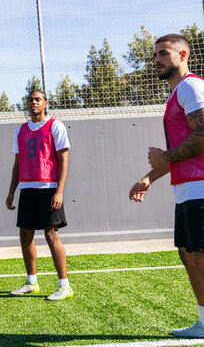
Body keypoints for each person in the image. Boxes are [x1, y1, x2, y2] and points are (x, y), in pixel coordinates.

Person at [129, 34, 204, 338]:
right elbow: (182, 148)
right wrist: (151, 175)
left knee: (199, 256)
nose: (156, 60)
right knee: (188, 254)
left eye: (163, 54)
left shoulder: (192, 87)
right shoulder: (176, 94)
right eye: (155, 55)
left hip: (201, 187)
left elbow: (202, 135)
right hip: (186, 188)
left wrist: (164, 156)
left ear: (183, 54)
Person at [5, 90, 72, 301]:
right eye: (30, 100)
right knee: (25, 235)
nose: (33, 103)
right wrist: (11, 190)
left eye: (37, 100)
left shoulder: (55, 126)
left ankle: (64, 285)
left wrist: (59, 191)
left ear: (45, 103)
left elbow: (64, 161)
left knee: (51, 235)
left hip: (48, 188)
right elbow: (17, 164)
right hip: (27, 189)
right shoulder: (20, 130)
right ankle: (31, 282)